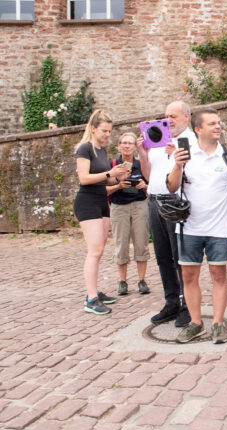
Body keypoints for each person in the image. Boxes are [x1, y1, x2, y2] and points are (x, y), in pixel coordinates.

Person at [167, 108, 227, 344]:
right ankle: (195, 322)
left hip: (219, 228)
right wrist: (177, 165)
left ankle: (218, 323)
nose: (218, 126)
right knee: (189, 276)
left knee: (218, 275)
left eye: (218, 123)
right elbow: (171, 187)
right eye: (212, 123)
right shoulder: (185, 155)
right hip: (189, 227)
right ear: (198, 129)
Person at [137, 101, 193, 327]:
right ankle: (171, 302)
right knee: (162, 257)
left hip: (175, 202)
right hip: (154, 200)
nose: (169, 120)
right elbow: (149, 175)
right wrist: (143, 154)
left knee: (181, 258)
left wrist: (175, 155)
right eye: (166, 116)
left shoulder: (189, 140)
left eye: (174, 116)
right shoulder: (158, 139)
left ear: (187, 117)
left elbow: (192, 173)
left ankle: (188, 305)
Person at [74, 109, 129, 314]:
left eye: (110, 131)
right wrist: (109, 172)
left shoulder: (102, 151)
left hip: (102, 201)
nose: (108, 135)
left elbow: (107, 179)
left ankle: (94, 290)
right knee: (94, 251)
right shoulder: (84, 148)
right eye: (104, 131)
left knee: (99, 251)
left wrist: (118, 176)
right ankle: (91, 298)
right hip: (87, 202)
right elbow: (84, 178)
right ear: (94, 128)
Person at [106, 132, 151, 296]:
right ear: (119, 145)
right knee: (121, 243)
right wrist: (118, 185)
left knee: (141, 242)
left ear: (134, 146)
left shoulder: (141, 164)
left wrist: (143, 186)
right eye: (124, 143)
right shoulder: (113, 165)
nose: (127, 146)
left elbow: (151, 184)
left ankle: (141, 280)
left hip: (139, 205)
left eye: (130, 143)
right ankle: (123, 281)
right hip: (119, 207)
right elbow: (104, 189)